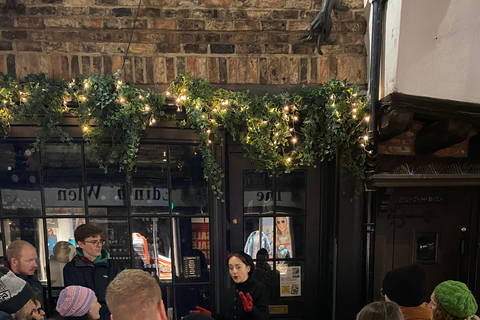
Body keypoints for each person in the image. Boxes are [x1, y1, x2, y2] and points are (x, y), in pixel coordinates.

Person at [62, 224, 123, 320]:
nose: (99, 245)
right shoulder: (71, 269)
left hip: (110, 315)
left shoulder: (112, 266)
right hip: (86, 317)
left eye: (100, 241)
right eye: (94, 242)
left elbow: (120, 293)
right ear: (81, 244)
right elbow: (75, 300)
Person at [192, 252, 269, 320]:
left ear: (248, 268)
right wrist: (211, 315)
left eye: (238, 267)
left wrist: (251, 310)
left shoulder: (258, 288)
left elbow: (264, 317)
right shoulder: (231, 291)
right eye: (231, 268)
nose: (234, 271)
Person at [5, 240, 43, 309]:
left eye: (35, 260)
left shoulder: (33, 280)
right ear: (14, 262)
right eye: (29, 261)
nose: (35, 265)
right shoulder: (4, 287)